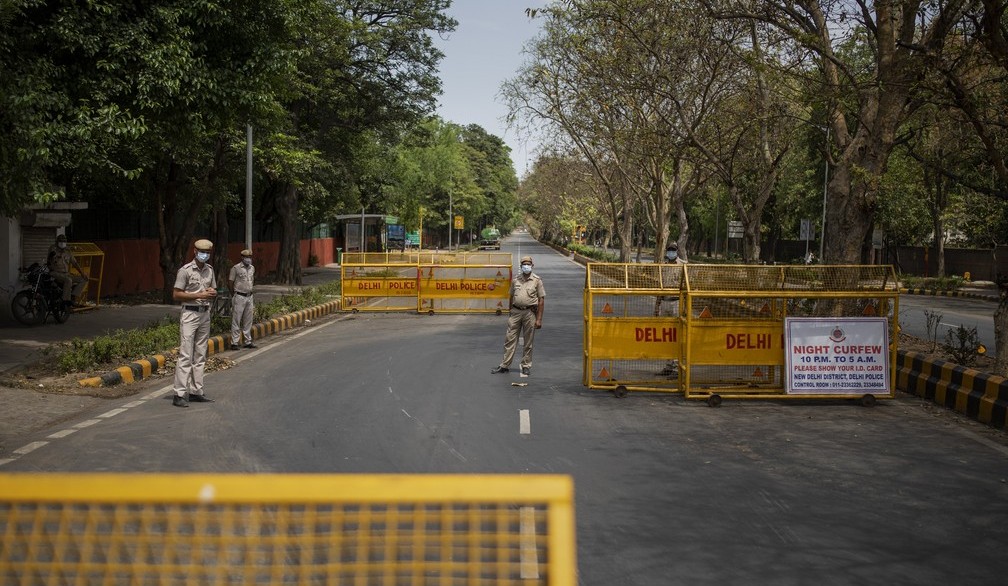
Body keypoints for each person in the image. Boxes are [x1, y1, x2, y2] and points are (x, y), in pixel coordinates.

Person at [171, 239, 217, 408]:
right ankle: (180, 393)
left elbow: (213, 289)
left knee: (200, 354)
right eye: (202, 251)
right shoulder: (185, 271)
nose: (205, 255)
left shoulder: (210, 270)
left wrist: (212, 292)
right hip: (190, 313)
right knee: (186, 354)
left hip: (205, 314)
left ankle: (196, 391)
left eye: (208, 252)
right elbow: (176, 294)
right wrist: (199, 296)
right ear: (195, 252)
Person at [491, 255, 546, 377]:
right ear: (521, 266)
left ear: (532, 266)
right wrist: (511, 311)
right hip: (515, 313)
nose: (526, 266)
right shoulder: (516, 280)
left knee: (528, 341)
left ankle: (526, 365)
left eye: (528, 264)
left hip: (529, 313)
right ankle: (505, 365)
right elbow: (511, 296)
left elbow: (541, 300)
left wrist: (539, 319)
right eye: (524, 264)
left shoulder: (537, 280)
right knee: (509, 339)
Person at [655, 242, 687, 377]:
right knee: (666, 335)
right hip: (665, 302)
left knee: (677, 335)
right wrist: (657, 306)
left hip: (676, 302)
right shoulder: (664, 266)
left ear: (677, 251)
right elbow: (660, 287)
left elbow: (686, 287)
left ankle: (677, 367)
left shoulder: (683, 265)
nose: (671, 252)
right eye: (669, 250)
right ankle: (669, 365)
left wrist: (685, 306)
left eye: (673, 250)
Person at [46, 234, 86, 307]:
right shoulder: (53, 249)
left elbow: (75, 263)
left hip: (66, 273)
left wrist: (82, 273)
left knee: (83, 279)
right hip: (55, 273)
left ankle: (73, 296)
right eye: (60, 241)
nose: (62, 243)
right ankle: (65, 301)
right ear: (57, 242)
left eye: (64, 241)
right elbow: (49, 260)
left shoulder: (68, 251)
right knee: (68, 280)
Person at [229, 248, 256, 350]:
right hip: (239, 296)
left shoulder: (252, 268)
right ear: (242, 257)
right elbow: (230, 282)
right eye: (246, 257)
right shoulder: (236, 268)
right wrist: (234, 294)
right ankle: (234, 342)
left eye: (250, 257)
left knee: (248, 320)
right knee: (236, 319)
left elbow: (252, 280)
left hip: (249, 296)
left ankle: (248, 341)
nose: (248, 259)